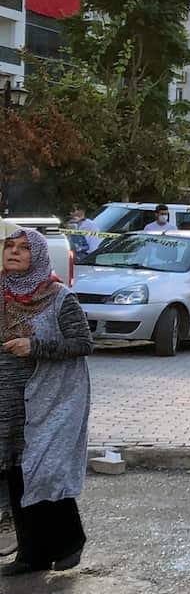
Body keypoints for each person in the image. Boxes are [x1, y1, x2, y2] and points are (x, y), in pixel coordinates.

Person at [0, 228, 92, 576]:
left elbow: (83, 343)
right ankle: (30, 554)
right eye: (10, 246)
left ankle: (71, 542)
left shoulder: (58, 297)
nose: (14, 253)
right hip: (8, 398)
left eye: (24, 248)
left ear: (38, 256)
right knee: (15, 470)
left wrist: (34, 347)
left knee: (45, 468)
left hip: (51, 396)